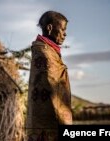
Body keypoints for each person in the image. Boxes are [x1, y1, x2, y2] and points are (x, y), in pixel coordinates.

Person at [26, 10, 72, 141]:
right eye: (62, 29)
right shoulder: (43, 51)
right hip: (46, 119)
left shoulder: (51, 51)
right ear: (50, 28)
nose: (65, 34)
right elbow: (51, 83)